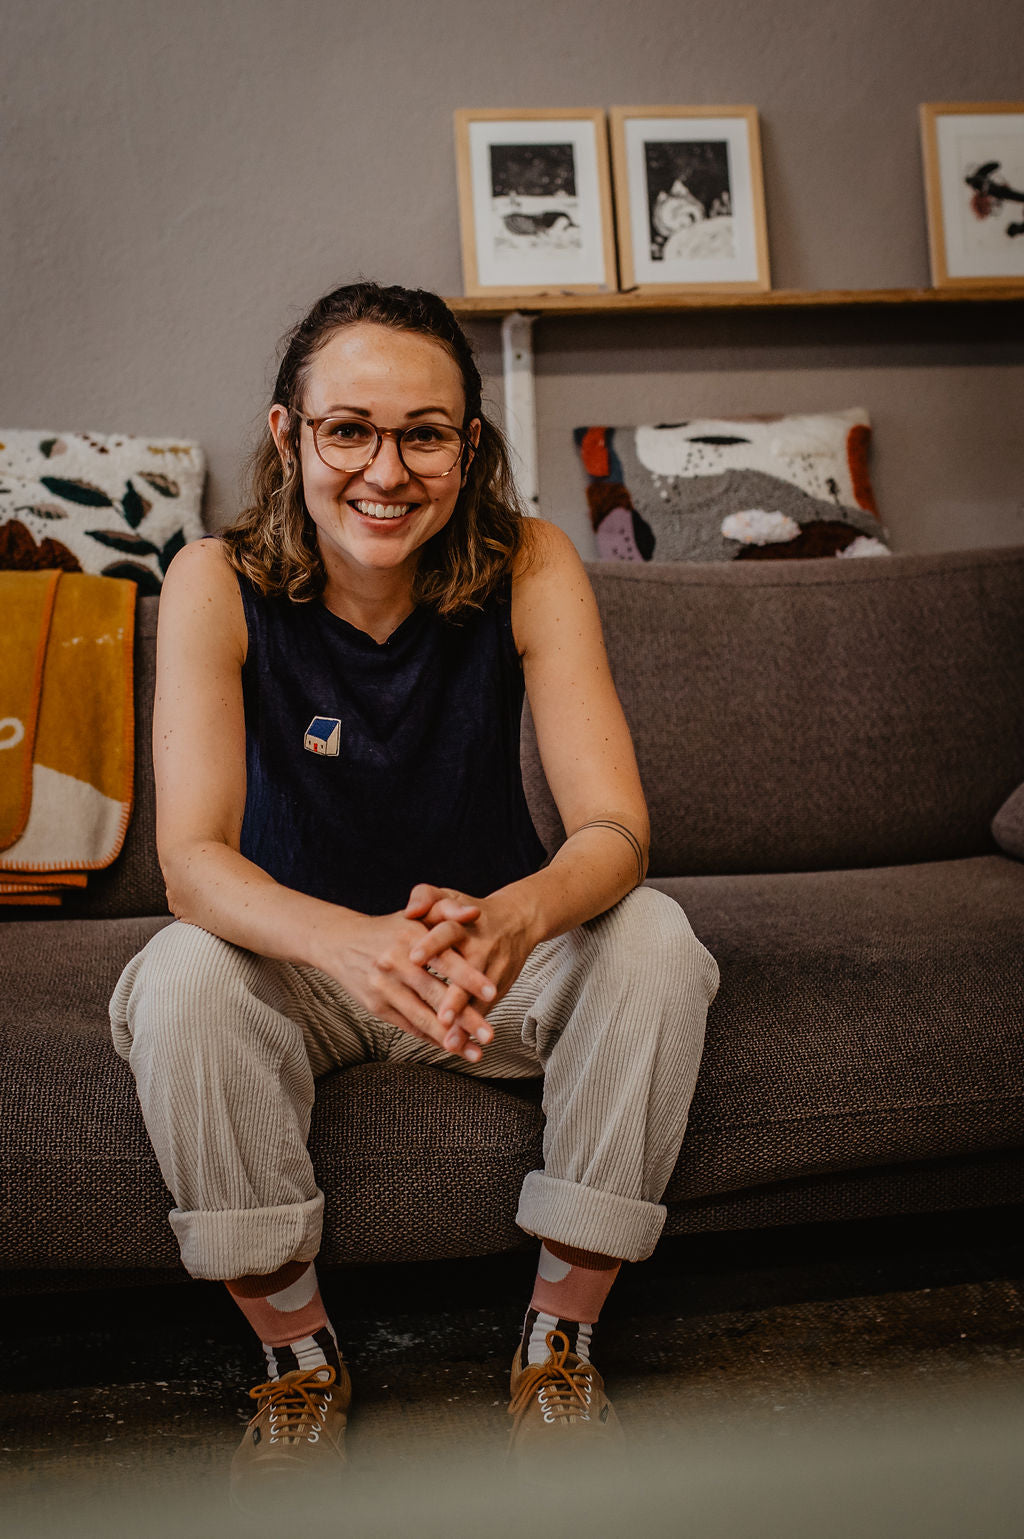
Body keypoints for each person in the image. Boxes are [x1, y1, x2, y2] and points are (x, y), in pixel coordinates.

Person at [109, 281, 719, 1505]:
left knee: (653, 936)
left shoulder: (531, 560)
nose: (386, 470)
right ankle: (296, 1360)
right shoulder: (214, 581)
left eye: (425, 434)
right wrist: (352, 947)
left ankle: (559, 1344)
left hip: (486, 961)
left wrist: (517, 915)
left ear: (468, 447)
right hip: (304, 963)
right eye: (349, 430)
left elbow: (613, 830)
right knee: (177, 970)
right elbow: (195, 861)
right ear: (289, 437)